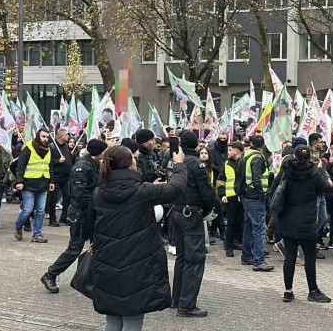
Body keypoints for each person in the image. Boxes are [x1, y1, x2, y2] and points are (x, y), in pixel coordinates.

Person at [89, 145, 185, 331]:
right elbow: (176, 188)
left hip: (106, 261)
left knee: (113, 318)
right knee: (133, 319)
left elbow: (89, 227)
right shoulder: (143, 191)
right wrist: (178, 165)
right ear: (130, 164)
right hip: (138, 263)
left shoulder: (98, 192)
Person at [41, 139, 107, 294]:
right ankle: (50, 274)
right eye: (104, 151)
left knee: (98, 247)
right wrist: (97, 203)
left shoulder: (94, 164)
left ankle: (93, 278)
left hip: (91, 214)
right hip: (81, 215)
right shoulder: (82, 167)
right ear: (98, 151)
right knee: (74, 249)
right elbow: (79, 194)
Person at [171, 130, 223, 317]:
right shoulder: (196, 164)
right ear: (195, 145)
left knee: (182, 257)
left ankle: (176, 299)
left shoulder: (176, 161)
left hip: (177, 211)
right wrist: (217, 207)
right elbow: (206, 191)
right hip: (191, 213)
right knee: (194, 259)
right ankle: (186, 305)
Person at [277, 145, 333, 303]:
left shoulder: (286, 170)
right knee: (309, 257)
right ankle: (313, 290)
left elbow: (275, 190)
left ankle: (288, 291)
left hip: (288, 218)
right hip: (307, 220)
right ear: (309, 156)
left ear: (294, 155)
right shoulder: (314, 172)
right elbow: (326, 188)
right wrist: (321, 170)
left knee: (290, 256)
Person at [238, 135, 273, 270]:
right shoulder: (258, 157)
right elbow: (257, 178)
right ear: (263, 145)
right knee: (259, 229)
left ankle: (246, 256)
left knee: (248, 227)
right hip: (255, 196)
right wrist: (261, 194)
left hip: (247, 195)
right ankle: (259, 261)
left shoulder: (246, 155)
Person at [14, 128, 55, 243]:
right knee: (27, 209)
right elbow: (20, 166)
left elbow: (49, 166)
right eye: (43, 136)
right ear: (38, 136)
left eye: (47, 137)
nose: (45, 139)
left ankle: (37, 234)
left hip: (43, 184)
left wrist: (52, 181)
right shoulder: (28, 148)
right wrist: (19, 181)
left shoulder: (48, 149)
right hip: (29, 184)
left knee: (41, 210)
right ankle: (18, 226)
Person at [222, 141, 245, 258]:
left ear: (236, 151)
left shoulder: (244, 162)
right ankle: (229, 246)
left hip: (242, 196)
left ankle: (238, 242)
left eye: (230, 150)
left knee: (241, 221)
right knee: (231, 222)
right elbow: (221, 180)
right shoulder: (227, 164)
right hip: (230, 197)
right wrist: (222, 194)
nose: (228, 152)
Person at [48, 129, 74, 227]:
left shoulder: (66, 147)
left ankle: (64, 218)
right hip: (56, 177)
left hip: (66, 177)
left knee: (67, 197)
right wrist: (57, 161)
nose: (68, 136)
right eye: (66, 135)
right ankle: (52, 219)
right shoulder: (52, 147)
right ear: (61, 136)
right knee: (53, 199)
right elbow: (48, 162)